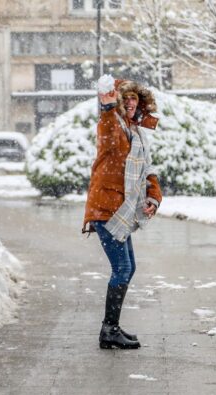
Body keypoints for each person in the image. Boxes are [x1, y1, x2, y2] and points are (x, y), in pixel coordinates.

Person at [82, 79, 162, 350]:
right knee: (123, 268)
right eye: (125, 99)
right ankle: (109, 331)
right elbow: (106, 126)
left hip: (121, 209)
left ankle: (112, 328)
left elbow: (147, 170)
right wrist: (106, 106)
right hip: (106, 208)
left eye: (134, 100)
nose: (130, 103)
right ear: (117, 102)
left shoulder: (136, 132)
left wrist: (153, 197)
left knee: (129, 267)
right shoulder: (112, 125)